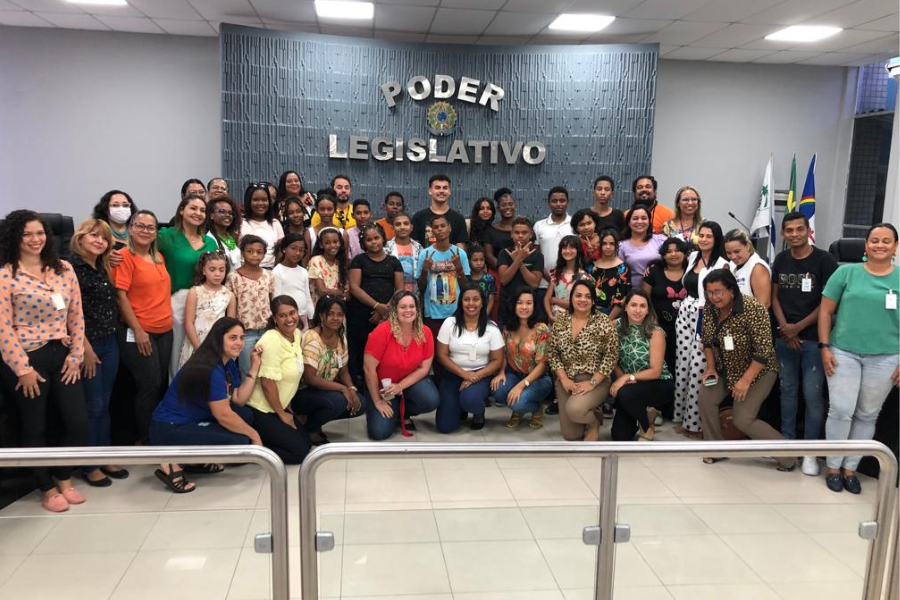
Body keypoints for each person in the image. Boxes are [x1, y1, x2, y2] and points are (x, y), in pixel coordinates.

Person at [0, 210, 88, 512]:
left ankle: (64, 476)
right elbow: (3, 327)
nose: (36, 240)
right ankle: (46, 487)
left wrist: (76, 355)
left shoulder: (62, 269)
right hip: (26, 358)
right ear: (15, 238)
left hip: (63, 354)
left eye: (40, 233)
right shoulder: (6, 275)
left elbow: (76, 315)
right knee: (33, 426)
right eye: (28, 234)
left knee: (77, 421)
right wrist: (22, 369)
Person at [819, 223, 899, 494]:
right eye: (874, 240)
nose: (880, 245)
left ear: (895, 247)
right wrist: (824, 347)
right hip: (844, 352)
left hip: (887, 357)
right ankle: (833, 467)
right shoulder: (846, 273)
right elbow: (825, 313)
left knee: (867, 414)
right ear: (865, 246)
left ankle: (850, 469)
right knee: (841, 409)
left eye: (886, 241)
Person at [149, 317, 263, 493]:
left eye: (241, 338)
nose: (239, 343)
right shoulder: (209, 368)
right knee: (239, 440)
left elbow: (239, 399)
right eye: (233, 338)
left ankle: (195, 460)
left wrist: (255, 367)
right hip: (169, 429)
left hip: (193, 420)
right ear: (218, 339)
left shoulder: (227, 362)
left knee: (245, 414)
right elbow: (223, 415)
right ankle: (172, 463)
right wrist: (255, 436)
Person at [698, 269, 795, 471]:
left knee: (743, 418)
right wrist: (711, 368)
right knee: (706, 398)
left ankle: (788, 456)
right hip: (726, 367)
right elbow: (707, 340)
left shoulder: (753, 309)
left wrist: (745, 380)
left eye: (718, 291)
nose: (714, 297)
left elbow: (763, 351)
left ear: (732, 290)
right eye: (709, 292)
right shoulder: (710, 308)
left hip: (759, 370)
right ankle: (715, 449)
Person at [771, 212, 839, 469]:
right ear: (784, 234)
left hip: (813, 339)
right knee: (787, 391)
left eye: (800, 229)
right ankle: (787, 445)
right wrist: (786, 329)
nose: (794, 234)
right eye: (789, 230)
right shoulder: (781, 259)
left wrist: (798, 327)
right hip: (784, 338)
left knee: (813, 395)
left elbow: (828, 302)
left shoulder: (825, 260)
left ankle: (810, 450)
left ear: (808, 230)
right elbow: (775, 296)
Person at [70, 219, 128, 486]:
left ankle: (103, 454)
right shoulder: (71, 268)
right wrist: (85, 348)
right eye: (93, 236)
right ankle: (89, 464)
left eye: (104, 238)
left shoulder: (101, 267)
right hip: (87, 345)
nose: (99, 241)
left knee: (106, 404)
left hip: (109, 340)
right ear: (80, 238)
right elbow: (71, 314)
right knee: (93, 406)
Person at [115, 210, 174, 445]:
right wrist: (138, 331)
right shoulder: (124, 257)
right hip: (140, 331)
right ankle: (147, 440)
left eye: (150, 227)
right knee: (148, 385)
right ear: (130, 228)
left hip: (165, 330)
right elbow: (121, 297)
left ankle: (157, 433)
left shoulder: (158, 257)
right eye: (140, 226)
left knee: (159, 383)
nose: (145, 231)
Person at [673, 221, 728, 439]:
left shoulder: (723, 263)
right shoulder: (694, 257)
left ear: (716, 239)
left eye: (709, 236)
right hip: (686, 310)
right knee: (682, 366)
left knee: (698, 367)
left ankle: (694, 424)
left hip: (706, 315)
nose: (704, 239)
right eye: (701, 235)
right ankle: (681, 417)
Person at [548, 280, 618, 441]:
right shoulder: (561, 321)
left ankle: (594, 421)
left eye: (588, 296)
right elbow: (553, 353)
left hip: (594, 380)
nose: (582, 300)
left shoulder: (603, 322)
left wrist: (592, 383)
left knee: (575, 410)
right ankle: (588, 411)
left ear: (593, 300)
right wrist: (564, 379)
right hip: (567, 381)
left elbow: (611, 356)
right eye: (578, 295)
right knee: (571, 435)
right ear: (571, 298)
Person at [158, 194, 219, 378]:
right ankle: (175, 394)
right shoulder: (165, 236)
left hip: (205, 300)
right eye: (193, 208)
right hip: (177, 301)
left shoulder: (210, 242)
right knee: (177, 351)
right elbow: (139, 247)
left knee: (200, 348)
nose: (198, 213)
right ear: (182, 210)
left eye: (202, 210)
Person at [364, 291, 440, 439]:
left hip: (408, 385)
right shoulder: (382, 331)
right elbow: (369, 368)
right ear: (394, 310)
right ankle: (387, 410)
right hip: (382, 388)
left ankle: (402, 412)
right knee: (379, 433)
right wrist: (378, 401)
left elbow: (424, 368)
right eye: (403, 307)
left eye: (412, 306)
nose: (408, 310)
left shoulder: (426, 332)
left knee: (431, 399)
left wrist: (400, 386)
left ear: (417, 310)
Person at [246, 295, 311, 463]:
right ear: (274, 318)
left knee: (306, 442)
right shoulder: (271, 340)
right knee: (300, 453)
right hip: (261, 410)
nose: (289, 319)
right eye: (283, 315)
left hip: (278, 407)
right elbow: (268, 384)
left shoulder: (296, 334)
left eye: (293, 313)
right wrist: (283, 415)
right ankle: (252, 449)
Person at [293, 296, 364, 445]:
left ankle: (315, 420)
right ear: (321, 316)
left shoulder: (341, 337)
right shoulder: (312, 338)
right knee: (338, 401)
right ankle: (309, 428)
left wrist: (351, 388)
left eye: (339, 314)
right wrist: (343, 389)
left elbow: (343, 370)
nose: (335, 318)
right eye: (331, 314)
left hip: (325, 390)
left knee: (362, 403)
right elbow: (310, 378)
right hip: (303, 392)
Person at [436, 283, 504, 432]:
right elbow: (441, 355)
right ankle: (459, 407)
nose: (471, 303)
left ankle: (478, 413)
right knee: (445, 427)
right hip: (453, 374)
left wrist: (474, 376)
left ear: (482, 303)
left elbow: (497, 360)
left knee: (470, 400)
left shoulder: (491, 328)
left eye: (476, 299)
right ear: (461, 302)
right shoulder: (449, 323)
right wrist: (464, 374)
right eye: (466, 299)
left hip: (481, 374)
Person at [609, 290, 674, 441]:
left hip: (658, 382)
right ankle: (648, 413)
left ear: (648, 310)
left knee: (624, 393)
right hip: (629, 385)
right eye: (633, 305)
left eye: (642, 306)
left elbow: (656, 371)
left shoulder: (655, 332)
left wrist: (627, 377)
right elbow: (612, 360)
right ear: (625, 307)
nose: (637, 310)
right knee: (619, 437)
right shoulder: (614, 327)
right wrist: (622, 378)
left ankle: (646, 427)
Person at [347, 223, 404, 384]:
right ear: (363, 243)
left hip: (386, 315)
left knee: (385, 352)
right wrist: (376, 306)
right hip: (361, 315)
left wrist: (385, 310)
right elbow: (354, 287)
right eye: (369, 239)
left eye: (376, 238)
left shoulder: (393, 261)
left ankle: (384, 386)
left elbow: (399, 288)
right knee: (361, 351)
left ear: (383, 238)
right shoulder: (359, 260)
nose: (373, 242)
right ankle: (361, 388)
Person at [491, 288, 552, 429]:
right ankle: (518, 409)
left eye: (529, 303)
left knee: (518, 402)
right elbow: (504, 354)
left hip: (538, 378)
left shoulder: (542, 329)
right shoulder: (508, 328)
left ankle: (535, 409)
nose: (524, 307)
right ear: (514, 305)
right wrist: (501, 372)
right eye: (520, 303)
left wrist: (520, 386)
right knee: (497, 388)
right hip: (515, 374)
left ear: (534, 306)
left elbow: (542, 365)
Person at [416, 214, 470, 342]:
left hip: (455, 312)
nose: (440, 229)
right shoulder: (425, 253)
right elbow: (421, 286)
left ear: (449, 228)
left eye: (443, 226)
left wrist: (459, 268)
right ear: (432, 231)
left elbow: (466, 286)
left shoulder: (460, 253)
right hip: (433, 314)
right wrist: (424, 270)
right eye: (436, 227)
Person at [226, 235, 275, 374]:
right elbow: (231, 306)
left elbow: (271, 300)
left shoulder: (269, 275)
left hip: (266, 330)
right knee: (247, 370)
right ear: (242, 252)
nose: (255, 255)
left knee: (266, 369)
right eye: (250, 251)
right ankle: (245, 396)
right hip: (245, 333)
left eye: (259, 252)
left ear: (264, 254)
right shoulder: (234, 277)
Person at [179, 251, 236, 368]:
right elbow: (188, 323)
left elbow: (231, 326)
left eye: (221, 270)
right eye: (212, 269)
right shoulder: (195, 292)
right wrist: (198, 348)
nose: (217, 274)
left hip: (218, 344)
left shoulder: (229, 295)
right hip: (196, 342)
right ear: (204, 270)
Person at [641, 237, 688, 378]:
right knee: (660, 360)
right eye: (669, 252)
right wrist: (650, 319)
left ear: (685, 253)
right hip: (658, 326)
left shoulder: (691, 271)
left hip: (686, 327)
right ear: (663, 255)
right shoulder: (654, 272)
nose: (673, 254)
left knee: (682, 361)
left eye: (678, 250)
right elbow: (645, 298)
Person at [533, 186, 573, 317]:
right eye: (554, 201)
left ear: (568, 202)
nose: (558, 204)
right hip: (544, 285)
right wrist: (550, 279)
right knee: (543, 326)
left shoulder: (574, 224)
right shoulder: (539, 225)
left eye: (562, 200)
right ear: (548, 203)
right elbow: (535, 256)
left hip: (570, 285)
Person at [497, 217, 544, 326]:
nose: (520, 236)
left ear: (531, 234)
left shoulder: (537, 255)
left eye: (524, 232)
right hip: (507, 305)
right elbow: (504, 279)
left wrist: (519, 261)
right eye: (516, 232)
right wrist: (518, 259)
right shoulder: (504, 253)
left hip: (529, 307)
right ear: (511, 234)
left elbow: (534, 283)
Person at [544, 234, 594, 323]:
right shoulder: (556, 274)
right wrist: (550, 316)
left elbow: (581, 303)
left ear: (578, 250)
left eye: (571, 247)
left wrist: (556, 300)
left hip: (576, 321)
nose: (567, 251)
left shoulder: (584, 277)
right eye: (564, 248)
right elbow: (547, 299)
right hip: (556, 321)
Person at [412, 174, 469, 248]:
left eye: (445, 188)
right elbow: (414, 247)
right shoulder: (418, 217)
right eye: (437, 188)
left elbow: (461, 248)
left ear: (449, 191)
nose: (441, 191)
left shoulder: (458, 219)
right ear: (430, 191)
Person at [619, 204, 666, 288]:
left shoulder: (661, 240)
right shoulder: (622, 246)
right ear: (629, 223)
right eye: (635, 218)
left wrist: (655, 266)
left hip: (659, 290)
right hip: (633, 293)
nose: (640, 222)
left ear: (649, 221)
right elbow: (620, 271)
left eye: (644, 218)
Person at [273, 234, 314, 329]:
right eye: (293, 248)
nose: (297, 253)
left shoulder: (303, 271)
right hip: (287, 318)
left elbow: (307, 297)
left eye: (301, 250)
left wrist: (312, 317)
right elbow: (277, 299)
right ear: (284, 249)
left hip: (303, 315)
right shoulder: (277, 271)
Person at [240, 183, 285, 269]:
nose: (260, 203)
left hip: (270, 272)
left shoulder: (275, 223)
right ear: (248, 201)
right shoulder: (240, 223)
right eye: (255, 200)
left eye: (264, 200)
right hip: (245, 271)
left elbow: (280, 251)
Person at [725, 229, 772, 308]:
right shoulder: (732, 265)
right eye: (729, 253)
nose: (733, 256)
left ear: (747, 246)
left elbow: (764, 304)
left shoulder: (757, 267)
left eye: (737, 251)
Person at [592, 228, 630, 319]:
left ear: (616, 245)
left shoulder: (623, 268)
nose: (608, 247)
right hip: (591, 313)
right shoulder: (594, 266)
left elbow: (623, 298)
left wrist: (608, 321)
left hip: (612, 316)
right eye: (604, 243)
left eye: (611, 244)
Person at [308, 227, 349, 302]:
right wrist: (341, 292)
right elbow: (322, 291)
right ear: (321, 245)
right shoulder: (316, 260)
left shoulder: (341, 262)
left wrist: (342, 293)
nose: (332, 245)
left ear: (340, 243)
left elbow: (347, 295)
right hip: (320, 305)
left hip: (339, 307)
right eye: (327, 243)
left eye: (335, 242)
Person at [385, 212, 422, 294]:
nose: (402, 227)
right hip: (392, 295)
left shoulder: (419, 248)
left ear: (411, 227)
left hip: (414, 296)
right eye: (398, 224)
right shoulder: (386, 248)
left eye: (406, 224)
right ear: (392, 228)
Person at [207, 195, 243, 270]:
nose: (227, 215)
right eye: (222, 211)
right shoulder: (209, 239)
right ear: (212, 215)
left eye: (230, 213)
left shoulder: (232, 236)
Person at [484, 187, 516, 270]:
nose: (508, 207)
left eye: (511, 204)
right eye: (503, 205)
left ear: (515, 206)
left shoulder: (523, 226)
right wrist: (504, 270)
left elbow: (532, 251)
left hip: (522, 272)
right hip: (498, 273)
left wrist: (517, 269)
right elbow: (488, 255)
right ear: (498, 209)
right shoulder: (491, 230)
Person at [305, 192, 340, 257]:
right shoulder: (309, 233)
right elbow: (305, 260)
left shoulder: (342, 233)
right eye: (322, 209)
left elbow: (344, 259)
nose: (326, 213)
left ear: (335, 209)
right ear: (317, 210)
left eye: (329, 209)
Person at [467, 244, 496, 317]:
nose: (479, 263)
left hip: (485, 317)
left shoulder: (489, 278)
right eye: (475, 260)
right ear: (469, 261)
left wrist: (484, 317)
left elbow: (491, 300)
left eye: (481, 260)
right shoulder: (466, 279)